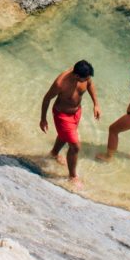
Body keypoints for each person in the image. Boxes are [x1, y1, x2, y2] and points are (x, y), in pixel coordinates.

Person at [39, 60, 100, 188]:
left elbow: (90, 85)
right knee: (75, 146)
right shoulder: (60, 83)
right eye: (85, 78)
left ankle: (53, 154)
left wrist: (96, 104)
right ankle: (72, 176)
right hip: (62, 116)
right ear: (76, 76)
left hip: (77, 112)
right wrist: (43, 119)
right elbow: (47, 98)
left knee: (64, 136)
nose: (88, 80)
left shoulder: (85, 75)